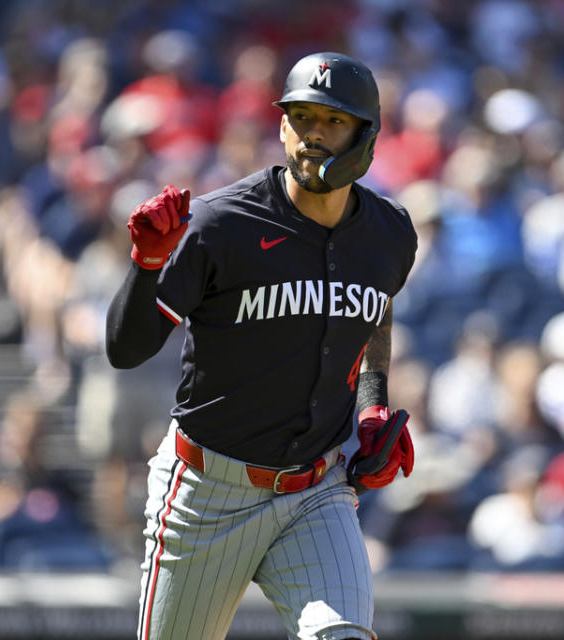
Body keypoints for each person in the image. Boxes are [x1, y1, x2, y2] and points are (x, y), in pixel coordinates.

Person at [106, 52, 417, 640]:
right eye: (301, 117)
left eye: (332, 121)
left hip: (316, 490)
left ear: (366, 134)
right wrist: (147, 266)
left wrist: (372, 404)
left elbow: (374, 311)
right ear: (281, 125)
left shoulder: (389, 233)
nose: (313, 135)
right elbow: (126, 349)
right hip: (207, 492)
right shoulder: (221, 225)